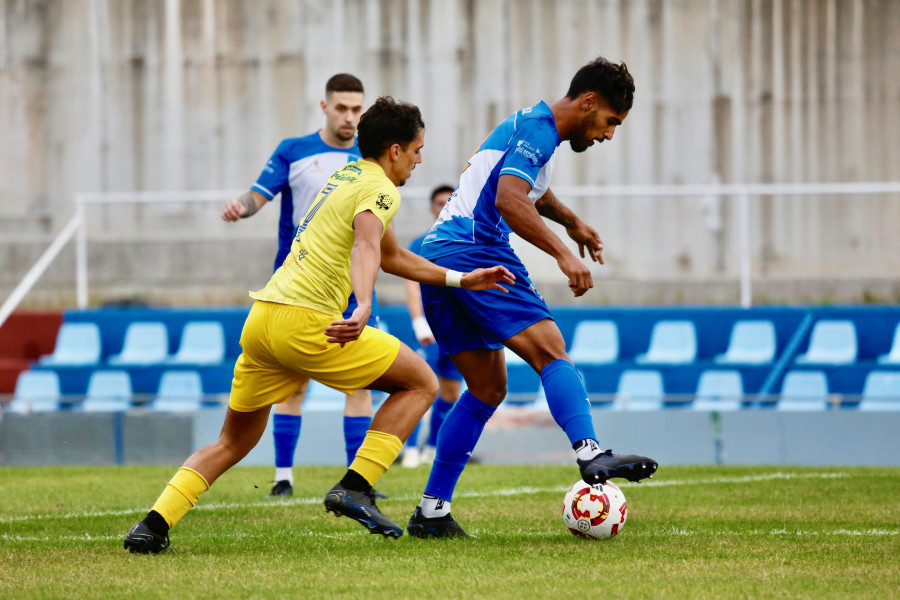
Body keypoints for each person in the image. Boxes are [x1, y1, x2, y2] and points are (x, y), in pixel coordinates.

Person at [123, 96, 516, 553]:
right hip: (308, 322)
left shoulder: (347, 176)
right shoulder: (383, 191)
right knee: (422, 383)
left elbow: (391, 256)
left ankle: (153, 525)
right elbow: (366, 246)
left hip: (265, 318)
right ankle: (357, 484)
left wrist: (461, 278)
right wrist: (364, 302)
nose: (420, 158)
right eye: (417, 149)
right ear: (394, 150)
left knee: (233, 441)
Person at [406, 57, 658, 539]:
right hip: (474, 248)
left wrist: (572, 221)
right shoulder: (540, 130)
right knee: (551, 351)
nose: (608, 136)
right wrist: (565, 254)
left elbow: (531, 191)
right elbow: (508, 199)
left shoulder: (530, 129)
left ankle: (432, 511)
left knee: (485, 389)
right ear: (588, 103)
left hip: (439, 258)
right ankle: (590, 451)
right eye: (610, 122)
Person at [221, 73, 383, 498]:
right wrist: (242, 206)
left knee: (360, 381)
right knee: (292, 383)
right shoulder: (294, 151)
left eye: (357, 109)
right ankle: (283, 476)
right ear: (325, 107)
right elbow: (260, 194)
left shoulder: (369, 159)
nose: (351, 117)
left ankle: (356, 479)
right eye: (343, 108)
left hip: (350, 284)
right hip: (296, 285)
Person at [400, 185, 463, 468]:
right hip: (432, 330)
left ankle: (432, 447)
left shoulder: (466, 240)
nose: (444, 206)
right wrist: (419, 323)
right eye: (439, 202)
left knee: (450, 392)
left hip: (460, 329)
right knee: (421, 386)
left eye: (449, 201)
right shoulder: (421, 243)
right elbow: (412, 285)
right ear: (432, 207)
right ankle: (410, 449)